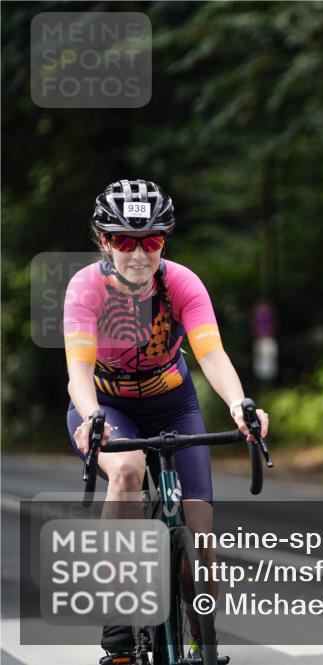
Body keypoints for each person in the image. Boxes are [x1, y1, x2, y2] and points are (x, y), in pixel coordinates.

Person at [64, 179, 269, 664]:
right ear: (103, 241)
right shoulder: (85, 288)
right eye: (124, 241)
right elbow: (78, 369)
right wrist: (93, 416)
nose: (139, 254)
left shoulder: (181, 283)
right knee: (129, 472)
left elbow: (212, 355)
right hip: (107, 407)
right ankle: (119, 624)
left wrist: (242, 405)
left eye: (151, 241)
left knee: (199, 534)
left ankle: (203, 636)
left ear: (165, 241)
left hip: (174, 404)